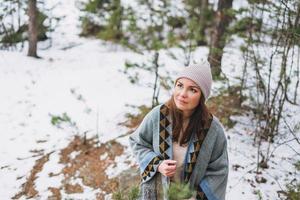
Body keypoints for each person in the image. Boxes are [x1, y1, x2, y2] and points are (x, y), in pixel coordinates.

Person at [129, 61, 229, 200]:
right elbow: (137, 142)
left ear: (202, 96)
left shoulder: (212, 129)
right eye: (180, 85)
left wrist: (197, 197)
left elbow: (219, 170)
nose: (182, 94)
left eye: (192, 90)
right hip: (156, 194)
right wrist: (157, 164)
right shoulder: (158, 115)